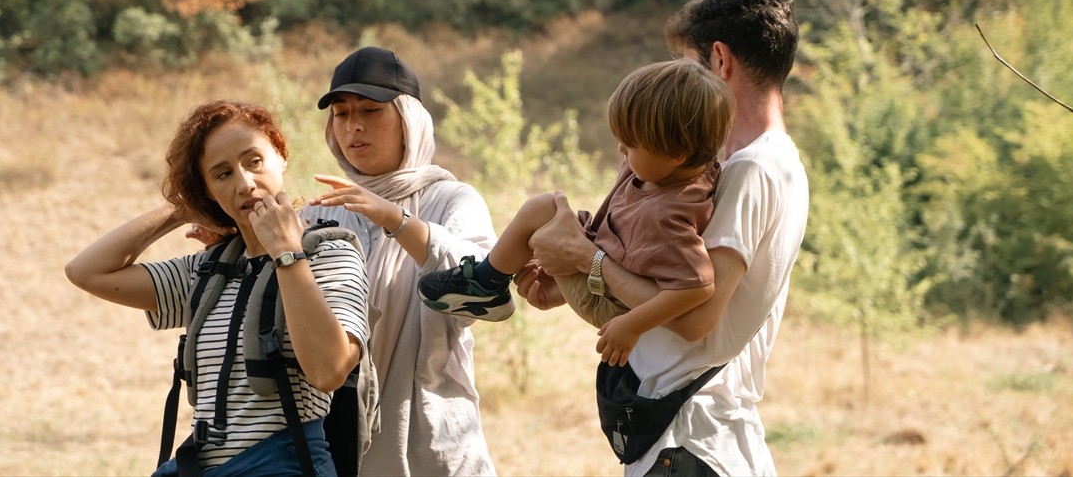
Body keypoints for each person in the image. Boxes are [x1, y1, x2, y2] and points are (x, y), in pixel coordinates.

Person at [515, 0, 809, 477]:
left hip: (692, 438)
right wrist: (575, 281)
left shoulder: (749, 170)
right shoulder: (773, 163)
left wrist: (588, 260)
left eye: (688, 67)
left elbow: (696, 317)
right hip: (702, 436)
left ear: (720, 60)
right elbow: (672, 276)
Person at [65, 100, 370, 477]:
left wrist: (287, 254)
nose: (244, 183)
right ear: (207, 189)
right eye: (222, 174)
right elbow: (86, 272)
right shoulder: (210, 268)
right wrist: (182, 208)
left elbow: (329, 372)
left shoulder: (329, 253)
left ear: (281, 155)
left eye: (254, 161)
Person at [418, 58, 734, 370]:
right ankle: (491, 279)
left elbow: (697, 287)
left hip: (611, 304)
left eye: (630, 144)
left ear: (677, 155)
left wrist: (632, 325)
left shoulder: (669, 215)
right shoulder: (676, 171)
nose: (621, 151)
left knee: (543, 211)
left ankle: (486, 284)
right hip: (606, 265)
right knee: (547, 209)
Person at [304, 46, 497, 477]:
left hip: (431, 436)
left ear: (409, 121)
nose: (354, 125)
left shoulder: (451, 199)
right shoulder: (322, 210)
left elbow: (483, 288)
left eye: (371, 110)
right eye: (341, 113)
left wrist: (394, 218)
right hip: (336, 440)